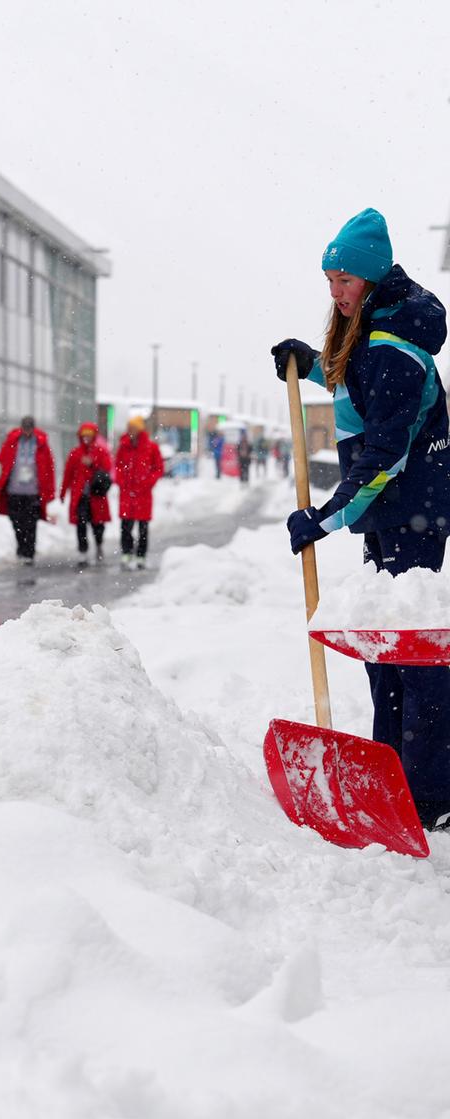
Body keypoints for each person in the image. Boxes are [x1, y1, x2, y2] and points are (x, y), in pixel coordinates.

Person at [272, 206, 450, 832]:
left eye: (344, 281)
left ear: (371, 278)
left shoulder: (396, 344)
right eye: (330, 281)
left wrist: (325, 517)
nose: (335, 293)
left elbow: (386, 454)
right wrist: (315, 364)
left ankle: (431, 794)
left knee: (414, 652)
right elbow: (365, 387)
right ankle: (395, 772)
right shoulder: (375, 331)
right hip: (391, 515)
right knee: (385, 645)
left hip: (413, 514)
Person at [0, 415, 56, 566]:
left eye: (30, 428)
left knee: (31, 523)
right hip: (14, 490)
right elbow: (2, 462)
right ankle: (21, 548)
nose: (27, 432)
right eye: (25, 428)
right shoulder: (12, 442)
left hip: (33, 492)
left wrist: (49, 490)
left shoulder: (41, 444)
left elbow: (48, 468)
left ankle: (29, 552)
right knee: (16, 521)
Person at [59, 422, 114, 568]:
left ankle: (99, 544)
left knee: (98, 525)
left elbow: (107, 469)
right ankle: (82, 551)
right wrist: (63, 492)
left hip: (97, 496)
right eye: (84, 436)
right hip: (81, 497)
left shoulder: (101, 452)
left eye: (89, 436)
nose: (86, 439)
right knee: (81, 525)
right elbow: (68, 474)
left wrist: (93, 463)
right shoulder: (75, 453)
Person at [115, 414, 165, 570]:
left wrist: (148, 482)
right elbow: (117, 466)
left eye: (134, 428)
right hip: (127, 493)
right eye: (129, 428)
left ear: (140, 429)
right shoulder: (123, 446)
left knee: (143, 527)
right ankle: (126, 552)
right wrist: (121, 481)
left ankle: (141, 556)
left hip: (143, 494)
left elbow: (158, 468)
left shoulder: (151, 447)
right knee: (125, 526)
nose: (131, 431)